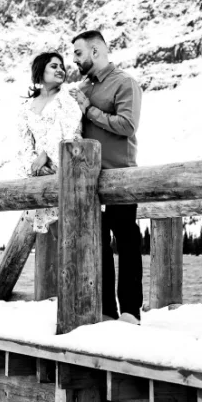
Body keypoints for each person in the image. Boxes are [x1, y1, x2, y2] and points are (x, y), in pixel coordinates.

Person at [68, 30, 144, 324]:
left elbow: (127, 125)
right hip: (88, 178)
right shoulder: (83, 87)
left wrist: (90, 111)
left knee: (126, 241)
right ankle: (105, 310)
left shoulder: (124, 83)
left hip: (120, 175)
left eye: (78, 53)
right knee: (95, 242)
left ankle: (129, 311)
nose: (74, 59)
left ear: (96, 51)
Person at [16, 51, 83, 234]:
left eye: (62, 66)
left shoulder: (67, 98)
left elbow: (71, 131)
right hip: (39, 175)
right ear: (40, 70)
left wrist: (45, 156)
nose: (60, 69)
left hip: (65, 168)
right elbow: (24, 143)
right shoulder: (26, 107)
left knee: (71, 230)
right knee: (49, 235)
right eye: (54, 66)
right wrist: (33, 165)